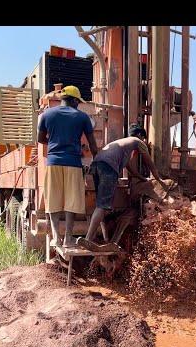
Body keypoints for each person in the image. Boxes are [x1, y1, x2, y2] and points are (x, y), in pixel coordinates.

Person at [77, 124, 167, 251]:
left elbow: (130, 169)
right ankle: (88, 240)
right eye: (144, 139)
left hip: (97, 166)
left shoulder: (123, 147)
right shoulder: (137, 141)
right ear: (141, 136)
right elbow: (149, 161)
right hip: (108, 168)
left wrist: (142, 178)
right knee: (102, 206)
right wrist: (158, 178)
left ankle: (105, 239)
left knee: (101, 204)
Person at [37, 85, 97, 248]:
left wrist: (56, 143)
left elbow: (41, 138)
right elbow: (92, 144)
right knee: (72, 200)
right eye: (78, 102)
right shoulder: (82, 117)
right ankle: (69, 239)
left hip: (53, 162)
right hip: (73, 163)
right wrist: (97, 160)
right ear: (75, 100)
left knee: (54, 199)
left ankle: (57, 238)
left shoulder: (46, 114)